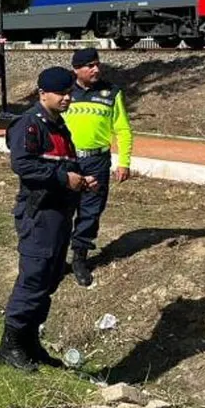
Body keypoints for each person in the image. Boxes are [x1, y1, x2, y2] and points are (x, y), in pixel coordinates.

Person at [0, 66, 99, 372]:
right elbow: (23, 165)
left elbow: (66, 164)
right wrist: (62, 177)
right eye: (61, 93)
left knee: (51, 277)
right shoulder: (30, 125)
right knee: (34, 278)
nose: (67, 98)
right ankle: (10, 345)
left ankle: (30, 341)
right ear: (43, 94)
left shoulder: (60, 126)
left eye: (70, 93)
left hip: (60, 214)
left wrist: (81, 179)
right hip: (39, 214)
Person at [64, 48, 134, 288]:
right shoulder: (63, 92)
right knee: (60, 209)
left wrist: (124, 161)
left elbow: (123, 129)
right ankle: (54, 259)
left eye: (97, 64)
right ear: (76, 69)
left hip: (97, 162)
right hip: (66, 160)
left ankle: (80, 259)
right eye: (89, 65)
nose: (96, 69)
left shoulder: (111, 92)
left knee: (90, 212)